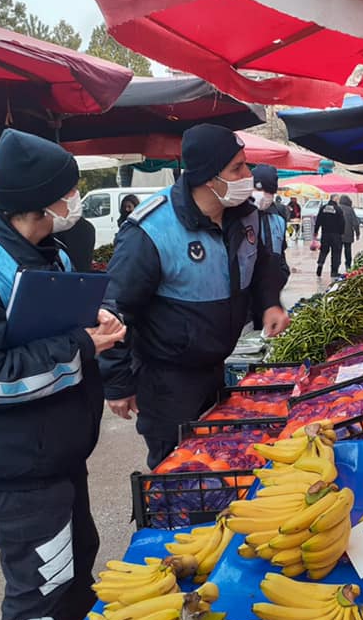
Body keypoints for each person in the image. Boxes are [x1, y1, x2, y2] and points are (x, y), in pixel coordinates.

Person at [0, 129, 126, 620]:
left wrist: (99, 317)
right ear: (43, 199)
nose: (77, 199)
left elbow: (53, 323)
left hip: (57, 458)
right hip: (16, 473)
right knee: (40, 593)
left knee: (77, 577)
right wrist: (82, 346)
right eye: (71, 190)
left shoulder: (47, 250)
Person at [101, 124, 289, 469]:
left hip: (216, 368)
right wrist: (116, 383)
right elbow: (114, 310)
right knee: (178, 474)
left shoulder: (245, 217)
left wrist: (269, 303)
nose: (248, 175)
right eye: (237, 168)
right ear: (207, 177)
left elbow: (262, 265)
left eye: (245, 164)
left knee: (221, 463)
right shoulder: (151, 230)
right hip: (166, 381)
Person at [251, 164, 292, 329]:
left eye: (269, 191)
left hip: (271, 296)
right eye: (258, 188)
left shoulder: (278, 218)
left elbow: (280, 251)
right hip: (245, 300)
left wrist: (282, 273)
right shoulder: (239, 217)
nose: (263, 195)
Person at [315, 193, 346, 278]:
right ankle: (334, 272)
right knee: (336, 253)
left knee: (323, 251)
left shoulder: (323, 208)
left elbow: (318, 220)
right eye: (338, 199)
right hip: (336, 235)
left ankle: (320, 265)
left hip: (325, 234)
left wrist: (316, 231)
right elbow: (342, 223)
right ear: (335, 199)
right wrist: (341, 233)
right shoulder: (338, 209)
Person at [339, 195, 361, 271]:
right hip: (348, 234)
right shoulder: (350, 210)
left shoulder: (337, 208)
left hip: (337, 234)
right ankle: (348, 265)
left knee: (337, 251)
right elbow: (355, 223)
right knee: (348, 250)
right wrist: (357, 233)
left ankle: (336, 267)